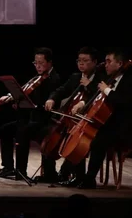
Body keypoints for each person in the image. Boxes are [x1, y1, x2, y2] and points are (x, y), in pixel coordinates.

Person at [70, 49, 132, 189]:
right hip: (107, 127)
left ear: (120, 63)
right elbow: (97, 99)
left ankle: (89, 179)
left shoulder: (129, 81)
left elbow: (123, 103)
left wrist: (107, 90)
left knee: (98, 141)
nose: (106, 65)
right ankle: (78, 177)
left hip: (123, 129)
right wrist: (82, 103)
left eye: (109, 62)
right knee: (78, 136)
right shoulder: (109, 79)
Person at [0, 47, 61, 181]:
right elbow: (23, 90)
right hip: (33, 118)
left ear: (49, 63)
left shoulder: (54, 79)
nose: (38, 66)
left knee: (23, 131)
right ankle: (8, 167)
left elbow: (43, 103)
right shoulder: (37, 78)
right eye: (35, 63)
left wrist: (27, 105)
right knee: (5, 129)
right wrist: (11, 98)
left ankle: (21, 171)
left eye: (41, 63)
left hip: (45, 121)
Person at [41, 46, 105, 184]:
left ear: (94, 62)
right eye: (79, 60)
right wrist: (52, 98)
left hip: (86, 123)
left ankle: (75, 175)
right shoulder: (75, 77)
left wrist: (89, 86)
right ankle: (50, 174)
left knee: (76, 141)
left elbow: (98, 97)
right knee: (47, 133)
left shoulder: (101, 79)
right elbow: (60, 90)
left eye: (85, 60)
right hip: (70, 120)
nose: (81, 63)